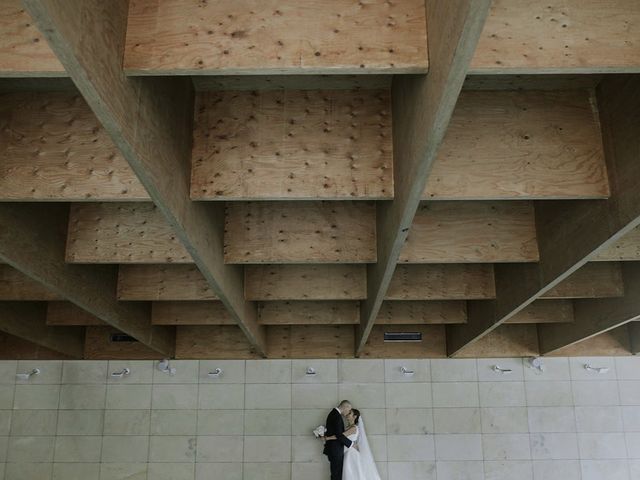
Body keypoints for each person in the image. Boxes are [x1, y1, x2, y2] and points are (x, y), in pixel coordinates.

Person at [323, 408, 381, 480]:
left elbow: (340, 436)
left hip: (351, 453)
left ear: (355, 416)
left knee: (351, 473)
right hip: (346, 451)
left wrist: (327, 438)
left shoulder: (354, 428)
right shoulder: (347, 427)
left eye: (350, 413)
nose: (347, 414)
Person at [322, 400, 353, 480]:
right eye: (349, 410)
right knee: (337, 474)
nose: (348, 412)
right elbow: (339, 435)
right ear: (345, 407)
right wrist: (351, 444)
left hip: (334, 449)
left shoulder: (334, 414)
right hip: (335, 450)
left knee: (336, 473)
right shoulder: (336, 416)